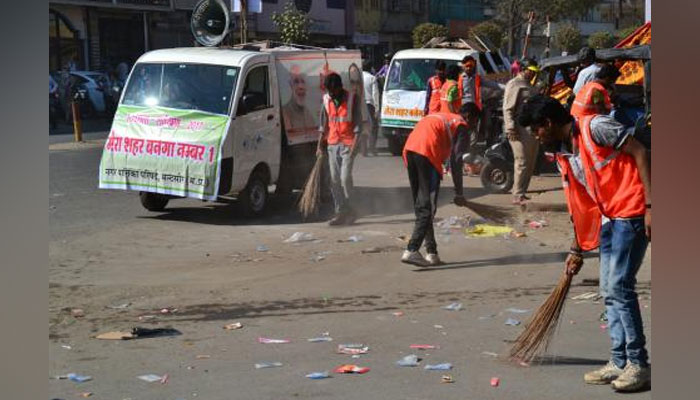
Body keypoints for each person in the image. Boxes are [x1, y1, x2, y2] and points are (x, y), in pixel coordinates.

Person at [518, 95, 651, 393]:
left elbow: (641, 151)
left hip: (631, 212)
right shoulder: (565, 154)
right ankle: (619, 361)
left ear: (548, 123)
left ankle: (639, 365)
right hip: (609, 218)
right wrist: (576, 248)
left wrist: (651, 206)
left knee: (620, 287)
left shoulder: (596, 127)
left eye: (537, 131)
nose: (537, 137)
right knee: (608, 290)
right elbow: (580, 205)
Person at [400, 103, 479, 267]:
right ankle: (412, 249)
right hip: (427, 154)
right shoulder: (461, 125)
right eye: (475, 122)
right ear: (470, 117)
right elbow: (457, 160)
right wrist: (459, 193)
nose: (473, 127)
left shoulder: (442, 116)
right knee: (427, 207)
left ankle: (431, 252)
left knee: (421, 205)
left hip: (410, 150)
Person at [317, 73, 364, 226]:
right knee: (334, 181)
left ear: (339, 87)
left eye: (333, 90)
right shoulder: (326, 100)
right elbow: (323, 125)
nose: (331, 93)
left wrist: (353, 148)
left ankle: (353, 209)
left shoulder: (352, 99)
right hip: (332, 145)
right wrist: (320, 145)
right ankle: (341, 212)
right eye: (328, 91)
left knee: (345, 179)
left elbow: (358, 126)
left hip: (348, 145)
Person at [503, 58, 540, 205]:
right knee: (522, 161)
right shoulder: (514, 84)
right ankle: (517, 194)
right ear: (523, 69)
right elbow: (508, 108)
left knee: (530, 163)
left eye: (534, 72)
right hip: (518, 129)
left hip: (531, 129)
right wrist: (510, 127)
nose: (532, 74)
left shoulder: (530, 85)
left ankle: (523, 192)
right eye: (530, 71)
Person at [458, 55, 504, 151]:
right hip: (463, 110)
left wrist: (507, 87)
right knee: (463, 129)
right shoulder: (460, 79)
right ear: (463, 66)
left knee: (475, 129)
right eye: (467, 66)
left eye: (471, 66)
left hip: (475, 108)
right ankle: (462, 149)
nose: (469, 68)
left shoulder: (477, 78)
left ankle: (470, 150)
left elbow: (492, 84)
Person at [282, 64, 317, 143]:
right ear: (291, 85)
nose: (300, 86)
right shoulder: (285, 112)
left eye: (303, 82)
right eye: (296, 82)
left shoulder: (308, 113)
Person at [362, 60, 380, 156]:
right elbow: (375, 94)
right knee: (373, 127)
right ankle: (372, 148)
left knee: (363, 126)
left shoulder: (358, 77)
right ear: (370, 68)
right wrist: (377, 109)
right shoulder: (372, 78)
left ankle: (363, 149)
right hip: (369, 105)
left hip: (360, 104)